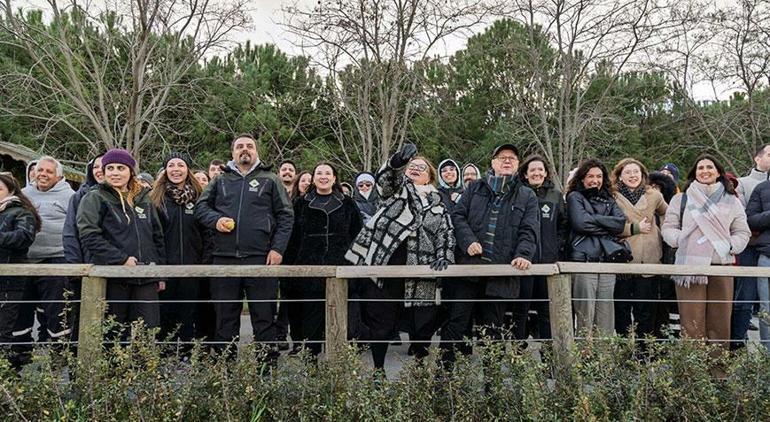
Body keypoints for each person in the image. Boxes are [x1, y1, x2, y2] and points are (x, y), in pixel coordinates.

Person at [346, 143, 454, 369]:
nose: (415, 169)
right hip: (388, 266)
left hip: (422, 269)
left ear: (429, 178)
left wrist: (445, 255)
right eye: (412, 166)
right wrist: (397, 162)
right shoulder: (396, 192)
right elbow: (385, 180)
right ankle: (378, 370)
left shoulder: (439, 206)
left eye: (421, 168)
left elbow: (446, 233)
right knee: (381, 322)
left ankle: (419, 372)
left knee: (423, 324)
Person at [195, 134, 293, 359]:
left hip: (261, 259)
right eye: (240, 147)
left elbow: (286, 216)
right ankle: (225, 376)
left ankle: (266, 373)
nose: (245, 150)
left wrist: (277, 249)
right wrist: (215, 220)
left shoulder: (270, 179)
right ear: (233, 153)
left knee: (264, 318)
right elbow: (201, 209)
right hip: (224, 259)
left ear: (257, 151)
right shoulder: (220, 180)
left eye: (250, 146)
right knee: (225, 319)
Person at [444, 143, 539, 364]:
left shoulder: (526, 195)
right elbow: (458, 217)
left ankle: (491, 389)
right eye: (502, 157)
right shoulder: (475, 188)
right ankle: (442, 383)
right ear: (492, 162)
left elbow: (529, 229)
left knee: (493, 332)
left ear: (517, 166)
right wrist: (468, 241)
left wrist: (524, 254)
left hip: (501, 273)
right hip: (470, 270)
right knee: (456, 324)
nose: (507, 161)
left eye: (512, 158)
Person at [662, 155, 750, 354]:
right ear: (694, 173)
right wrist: (680, 240)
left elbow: (742, 232)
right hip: (689, 266)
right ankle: (693, 374)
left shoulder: (732, 201)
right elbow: (668, 227)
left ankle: (718, 373)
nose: (705, 170)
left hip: (721, 265)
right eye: (700, 167)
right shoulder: (680, 199)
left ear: (718, 172)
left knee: (720, 322)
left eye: (710, 167)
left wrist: (728, 246)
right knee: (691, 322)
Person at [76, 149, 166, 335]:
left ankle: (144, 365)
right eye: (110, 168)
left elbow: (157, 237)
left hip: (146, 275)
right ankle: (112, 365)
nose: (115, 172)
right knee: (114, 330)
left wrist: (160, 272)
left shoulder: (144, 199)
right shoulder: (95, 197)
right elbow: (89, 235)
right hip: (114, 276)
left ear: (131, 172)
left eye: (121, 168)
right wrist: (120, 259)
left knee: (148, 329)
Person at [285, 163, 362, 356]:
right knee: (310, 324)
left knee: (340, 324)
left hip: (341, 268)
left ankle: (337, 372)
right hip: (308, 271)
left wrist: (355, 265)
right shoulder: (301, 204)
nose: (323, 176)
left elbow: (358, 235)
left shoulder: (348, 203)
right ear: (313, 178)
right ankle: (311, 370)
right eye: (319, 173)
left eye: (328, 173)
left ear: (334, 178)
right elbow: (293, 238)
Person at [150, 153, 207, 354]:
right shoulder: (156, 199)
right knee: (166, 312)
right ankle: (165, 353)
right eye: (171, 165)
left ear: (187, 170)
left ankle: (186, 352)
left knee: (189, 311)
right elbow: (152, 236)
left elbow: (206, 232)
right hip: (166, 265)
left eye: (180, 165)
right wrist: (158, 271)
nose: (175, 169)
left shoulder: (200, 197)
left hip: (193, 265)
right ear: (165, 170)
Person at [567, 159, 626, 336]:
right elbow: (580, 223)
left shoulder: (609, 199)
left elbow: (620, 224)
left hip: (607, 261)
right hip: (583, 261)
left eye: (599, 176)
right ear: (582, 178)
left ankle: (604, 360)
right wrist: (607, 225)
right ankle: (584, 359)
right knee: (585, 315)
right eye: (590, 176)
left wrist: (593, 220)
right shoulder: (575, 197)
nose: (595, 180)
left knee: (606, 316)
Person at [19, 157, 75, 346]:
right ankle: (20, 353)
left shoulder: (70, 196)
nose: (42, 174)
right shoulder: (23, 195)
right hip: (26, 259)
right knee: (21, 309)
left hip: (57, 258)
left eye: (48, 172)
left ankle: (58, 352)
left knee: (56, 310)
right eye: (40, 170)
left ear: (58, 176)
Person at [611, 158, 667, 340]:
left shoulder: (654, 196)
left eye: (636, 172)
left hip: (648, 260)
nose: (632, 175)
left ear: (643, 175)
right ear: (620, 176)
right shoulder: (611, 196)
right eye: (627, 172)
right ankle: (625, 352)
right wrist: (633, 228)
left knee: (646, 311)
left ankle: (644, 354)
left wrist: (663, 232)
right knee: (622, 310)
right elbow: (608, 225)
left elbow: (668, 213)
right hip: (623, 260)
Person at [517, 155, 568, 340]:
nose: (536, 173)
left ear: (546, 173)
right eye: (532, 170)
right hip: (524, 264)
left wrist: (556, 245)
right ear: (525, 174)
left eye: (540, 170)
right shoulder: (518, 194)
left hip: (547, 263)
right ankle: (519, 355)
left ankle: (548, 358)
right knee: (520, 311)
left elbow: (563, 224)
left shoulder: (555, 195)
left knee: (546, 311)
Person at [0, 173, 41, 370]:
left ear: (11, 190)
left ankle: (7, 377)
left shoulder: (21, 212)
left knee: (4, 330)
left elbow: (24, 237)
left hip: (9, 281)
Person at [731, 144, 770, 349]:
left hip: (764, 248)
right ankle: (738, 341)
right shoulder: (744, 183)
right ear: (757, 158)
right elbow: (743, 219)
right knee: (746, 297)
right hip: (750, 248)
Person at [746, 177, 770, 352]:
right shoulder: (761, 188)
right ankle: (766, 357)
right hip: (767, 256)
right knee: (766, 307)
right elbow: (750, 220)